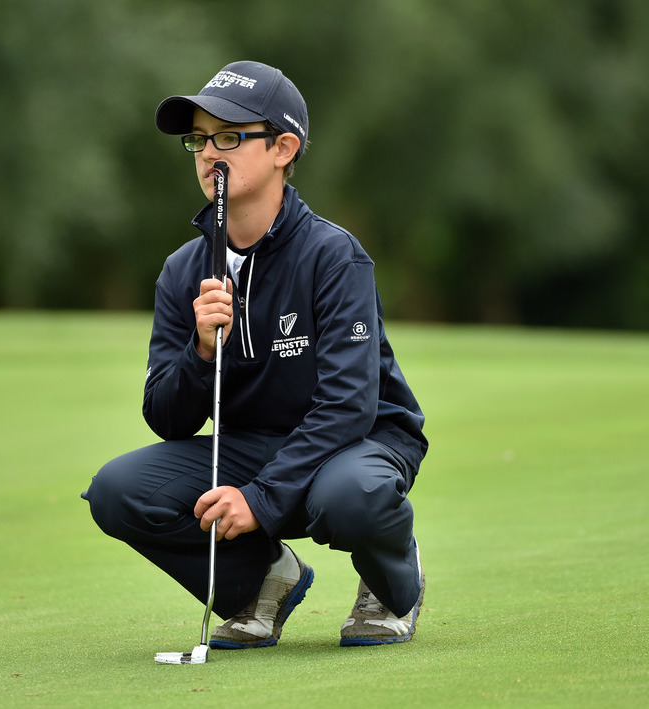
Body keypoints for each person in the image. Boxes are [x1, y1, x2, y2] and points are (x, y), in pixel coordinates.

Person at [82, 60, 428, 649]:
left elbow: (348, 407)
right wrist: (199, 351)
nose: (209, 154)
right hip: (248, 449)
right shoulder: (182, 271)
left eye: (230, 137)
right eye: (199, 139)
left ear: (283, 147)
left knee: (350, 497)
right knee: (118, 490)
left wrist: (261, 499)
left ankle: (394, 582)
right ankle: (260, 585)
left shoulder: (332, 255)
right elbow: (167, 419)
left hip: (356, 444)